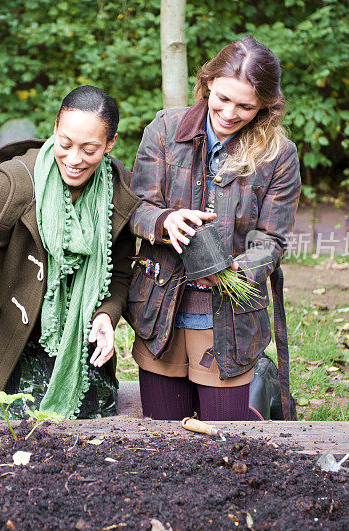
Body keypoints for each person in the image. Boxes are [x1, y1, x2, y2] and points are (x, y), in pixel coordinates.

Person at [125, 36, 300, 421]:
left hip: (229, 318)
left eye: (246, 106)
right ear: (208, 83)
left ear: (266, 107)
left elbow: (271, 239)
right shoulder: (165, 130)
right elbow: (135, 207)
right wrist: (163, 220)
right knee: (166, 437)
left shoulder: (278, 155)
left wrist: (240, 271)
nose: (229, 112)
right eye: (222, 98)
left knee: (224, 442)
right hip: (160, 310)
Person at [0, 85, 141, 419]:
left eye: (90, 149)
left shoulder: (119, 193)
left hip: (82, 342)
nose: (74, 159)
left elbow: (120, 274)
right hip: (17, 341)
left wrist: (105, 315)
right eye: (65, 144)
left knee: (92, 427)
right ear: (54, 129)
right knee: (26, 430)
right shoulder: (14, 183)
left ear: (111, 143)